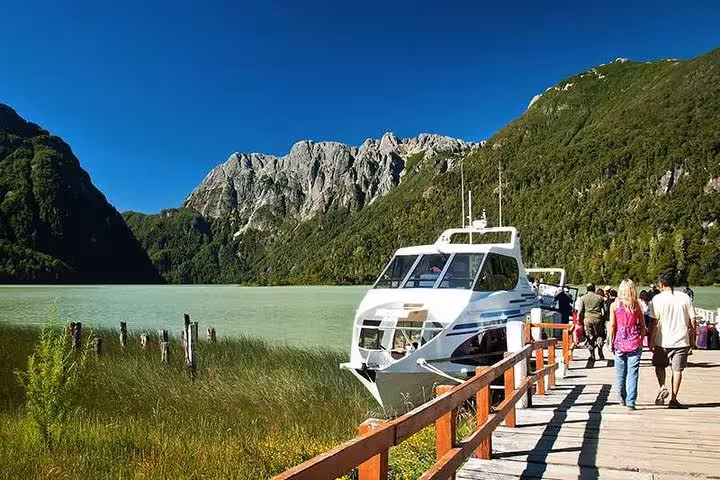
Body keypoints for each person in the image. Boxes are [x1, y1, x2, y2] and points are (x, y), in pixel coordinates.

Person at [648, 268, 696, 409]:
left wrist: (651, 340)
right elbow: (693, 321)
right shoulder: (685, 297)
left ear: (662, 284)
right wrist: (693, 337)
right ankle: (674, 399)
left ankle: (662, 386)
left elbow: (654, 323)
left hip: (662, 340)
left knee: (659, 366)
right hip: (681, 339)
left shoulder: (656, 299)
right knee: (677, 370)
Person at [609, 279, 647, 410]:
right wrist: (641, 338)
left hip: (619, 341)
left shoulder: (614, 306)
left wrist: (610, 341)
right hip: (634, 341)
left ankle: (621, 398)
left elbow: (612, 325)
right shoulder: (636, 305)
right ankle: (631, 401)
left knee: (620, 372)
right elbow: (643, 325)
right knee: (633, 372)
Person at [578, 283, 606, 361]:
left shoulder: (583, 298)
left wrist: (579, 320)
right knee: (599, 335)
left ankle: (592, 355)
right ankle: (600, 352)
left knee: (589, 336)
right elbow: (605, 310)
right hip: (598, 319)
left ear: (587, 289)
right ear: (594, 288)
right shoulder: (600, 298)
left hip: (587, 319)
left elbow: (580, 311)